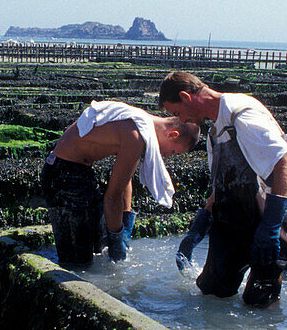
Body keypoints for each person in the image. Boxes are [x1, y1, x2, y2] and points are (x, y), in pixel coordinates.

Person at [159, 71, 287, 307]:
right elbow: (222, 187)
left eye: (177, 113)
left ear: (186, 97)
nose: (182, 120)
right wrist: (198, 229)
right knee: (211, 291)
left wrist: (270, 227)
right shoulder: (215, 134)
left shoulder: (242, 114)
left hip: (272, 225)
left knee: (258, 303)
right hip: (237, 221)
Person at [42, 100, 200, 265]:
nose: (168, 155)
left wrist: (125, 223)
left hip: (79, 174)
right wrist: (117, 240)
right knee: (77, 261)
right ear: (173, 134)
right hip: (62, 176)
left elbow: (125, 181)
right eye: (174, 151)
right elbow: (112, 197)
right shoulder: (136, 135)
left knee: (97, 249)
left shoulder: (141, 124)